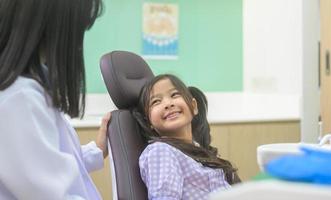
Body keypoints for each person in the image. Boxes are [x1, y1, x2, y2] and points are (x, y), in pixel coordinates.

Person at [0, 0, 109, 199]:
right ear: (51, 28)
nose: (77, 43)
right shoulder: (20, 99)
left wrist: (97, 150)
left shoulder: (29, 91)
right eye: (76, 30)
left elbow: (48, 164)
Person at [133, 74, 241, 200]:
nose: (168, 104)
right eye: (156, 101)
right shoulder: (161, 151)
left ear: (194, 106)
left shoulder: (198, 149)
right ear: (149, 122)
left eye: (174, 95)